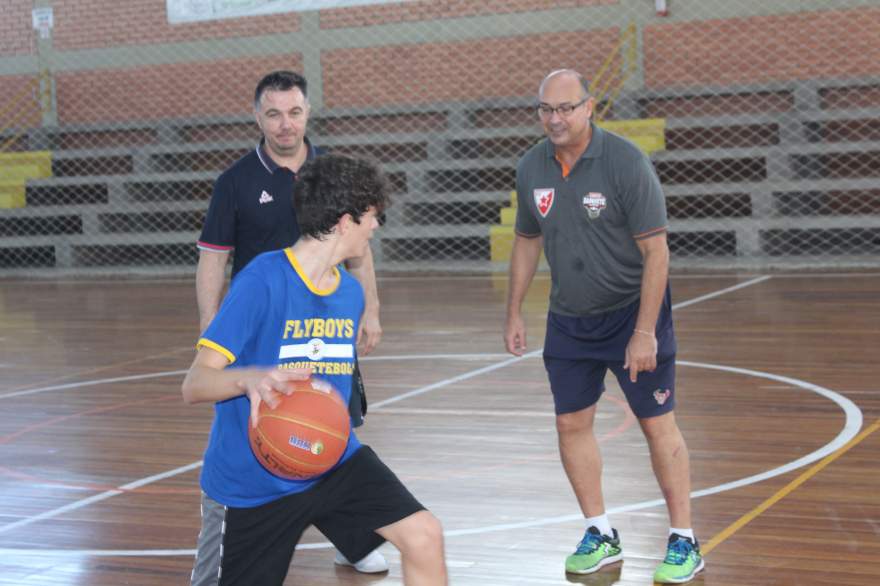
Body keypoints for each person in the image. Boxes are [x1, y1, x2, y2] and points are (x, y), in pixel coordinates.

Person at [183, 154, 448, 586]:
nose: (376, 227)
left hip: (329, 457)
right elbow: (194, 384)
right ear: (345, 221)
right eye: (372, 217)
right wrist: (249, 378)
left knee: (423, 535)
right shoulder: (261, 281)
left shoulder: (348, 294)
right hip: (253, 479)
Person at [503, 69, 704, 584]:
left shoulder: (624, 163)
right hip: (569, 320)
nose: (555, 118)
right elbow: (527, 239)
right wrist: (514, 310)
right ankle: (600, 533)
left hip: (631, 313)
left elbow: (656, 251)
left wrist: (644, 332)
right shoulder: (531, 167)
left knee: (657, 424)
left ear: (590, 107)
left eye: (566, 108)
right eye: (546, 109)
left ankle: (684, 540)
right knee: (571, 423)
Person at [195, 71, 385, 571]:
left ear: (308, 114)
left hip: (324, 325)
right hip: (263, 337)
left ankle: (353, 537)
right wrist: (211, 330)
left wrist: (372, 309)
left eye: (294, 112)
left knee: (335, 422)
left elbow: (359, 252)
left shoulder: (333, 171)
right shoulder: (236, 182)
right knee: (273, 427)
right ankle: (254, 525)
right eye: (274, 114)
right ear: (257, 117)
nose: (285, 124)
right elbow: (213, 259)